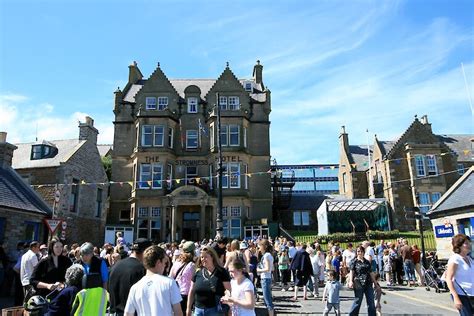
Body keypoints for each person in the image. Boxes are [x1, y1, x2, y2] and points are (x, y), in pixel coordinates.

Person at [124, 245, 182, 316]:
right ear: (158, 262)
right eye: (164, 263)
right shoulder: (169, 283)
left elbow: (128, 313)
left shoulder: (135, 287)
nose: (165, 266)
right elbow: (178, 312)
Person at [108, 238, 152, 316]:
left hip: (114, 311)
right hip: (131, 312)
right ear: (146, 252)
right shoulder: (142, 269)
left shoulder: (115, 266)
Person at [186, 246, 231, 316]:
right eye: (202, 257)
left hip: (215, 311)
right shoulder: (198, 271)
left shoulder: (222, 272)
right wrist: (188, 308)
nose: (203, 259)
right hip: (198, 311)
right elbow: (191, 291)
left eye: (206, 257)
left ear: (212, 257)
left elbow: (229, 291)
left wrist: (229, 308)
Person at [445, 234, 474, 316]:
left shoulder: (469, 259)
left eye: (469, 242)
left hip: (471, 293)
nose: (469, 245)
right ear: (459, 245)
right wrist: (456, 298)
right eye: (466, 243)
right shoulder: (455, 259)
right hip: (462, 295)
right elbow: (449, 279)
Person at [348, 245, 380, 316]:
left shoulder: (367, 262)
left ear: (364, 252)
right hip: (358, 284)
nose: (360, 252)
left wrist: (375, 283)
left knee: (371, 302)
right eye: (358, 251)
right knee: (358, 301)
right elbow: (351, 271)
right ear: (356, 252)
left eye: (361, 251)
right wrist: (350, 281)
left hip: (368, 283)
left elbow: (371, 273)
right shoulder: (354, 261)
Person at [170, 241, 196, 314]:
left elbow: (170, 277)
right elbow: (193, 282)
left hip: (175, 293)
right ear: (193, 251)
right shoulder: (192, 265)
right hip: (186, 294)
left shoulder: (176, 263)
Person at [256, 239, 274, 316]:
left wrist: (259, 270)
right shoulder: (268, 255)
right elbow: (272, 268)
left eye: (260, 246)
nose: (259, 247)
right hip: (266, 278)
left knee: (267, 300)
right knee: (267, 299)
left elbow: (267, 268)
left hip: (265, 279)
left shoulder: (266, 255)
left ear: (265, 246)